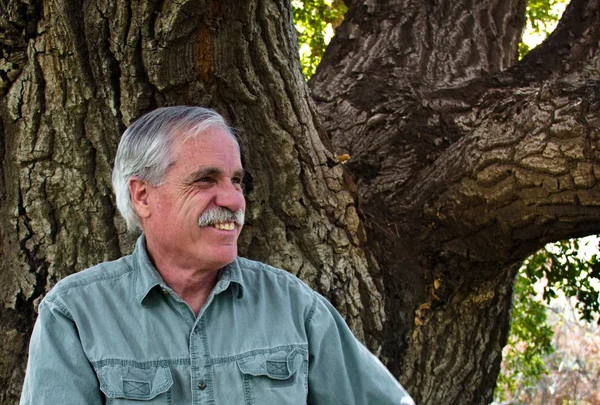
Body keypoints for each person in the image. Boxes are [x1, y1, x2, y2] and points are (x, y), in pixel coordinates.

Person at [20, 106, 414, 404]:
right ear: (142, 195)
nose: (232, 199)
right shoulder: (75, 314)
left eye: (237, 181)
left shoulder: (294, 306)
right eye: (205, 179)